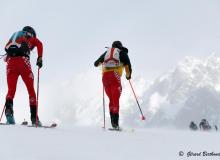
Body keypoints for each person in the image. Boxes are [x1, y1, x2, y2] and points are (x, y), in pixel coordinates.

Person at [4, 26, 43, 126]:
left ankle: (9, 114)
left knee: (11, 90)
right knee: (31, 90)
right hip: (23, 63)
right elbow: (40, 44)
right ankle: (34, 118)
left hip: (10, 64)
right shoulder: (30, 37)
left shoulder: (16, 38)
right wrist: (39, 58)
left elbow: (5, 58)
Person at [94, 41, 132, 130]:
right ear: (120, 46)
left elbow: (96, 64)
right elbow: (127, 66)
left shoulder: (107, 53)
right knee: (115, 99)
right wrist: (128, 76)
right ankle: (115, 124)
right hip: (115, 75)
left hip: (105, 78)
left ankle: (113, 124)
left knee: (111, 99)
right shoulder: (122, 53)